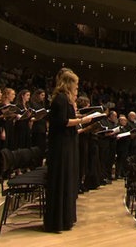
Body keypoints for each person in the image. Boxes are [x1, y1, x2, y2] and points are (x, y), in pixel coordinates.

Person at [44, 69, 92, 232]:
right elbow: (62, 121)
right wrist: (83, 120)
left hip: (67, 143)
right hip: (61, 146)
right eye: (76, 84)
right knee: (61, 179)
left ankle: (65, 217)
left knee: (67, 179)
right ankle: (58, 220)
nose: (77, 87)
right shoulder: (61, 99)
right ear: (69, 83)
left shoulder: (65, 99)